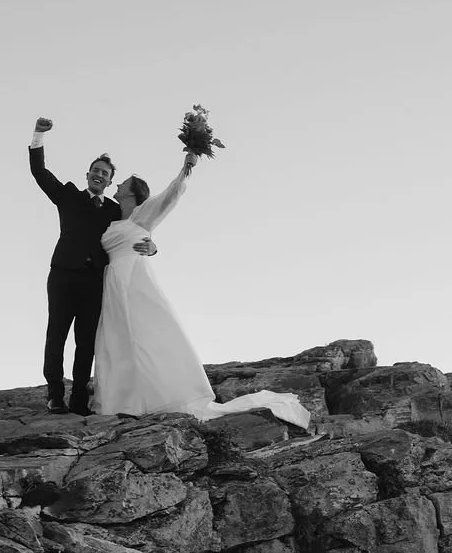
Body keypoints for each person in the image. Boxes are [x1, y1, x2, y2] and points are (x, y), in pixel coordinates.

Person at [92, 148, 311, 429]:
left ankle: (147, 400)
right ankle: (122, 399)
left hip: (133, 280)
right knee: (116, 339)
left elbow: (171, 196)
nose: (118, 184)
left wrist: (187, 167)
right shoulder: (113, 218)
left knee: (141, 338)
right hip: (113, 281)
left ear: (133, 192)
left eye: (122, 184)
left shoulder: (142, 215)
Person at [28, 117, 151, 415]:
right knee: (56, 334)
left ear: (110, 182)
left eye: (104, 173)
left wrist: (153, 247)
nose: (99, 175)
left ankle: (79, 399)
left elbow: (136, 231)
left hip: (95, 281)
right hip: (62, 275)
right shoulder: (68, 196)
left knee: (86, 342)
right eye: (95, 170)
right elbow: (39, 172)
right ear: (87, 175)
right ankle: (55, 395)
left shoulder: (114, 211)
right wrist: (38, 136)